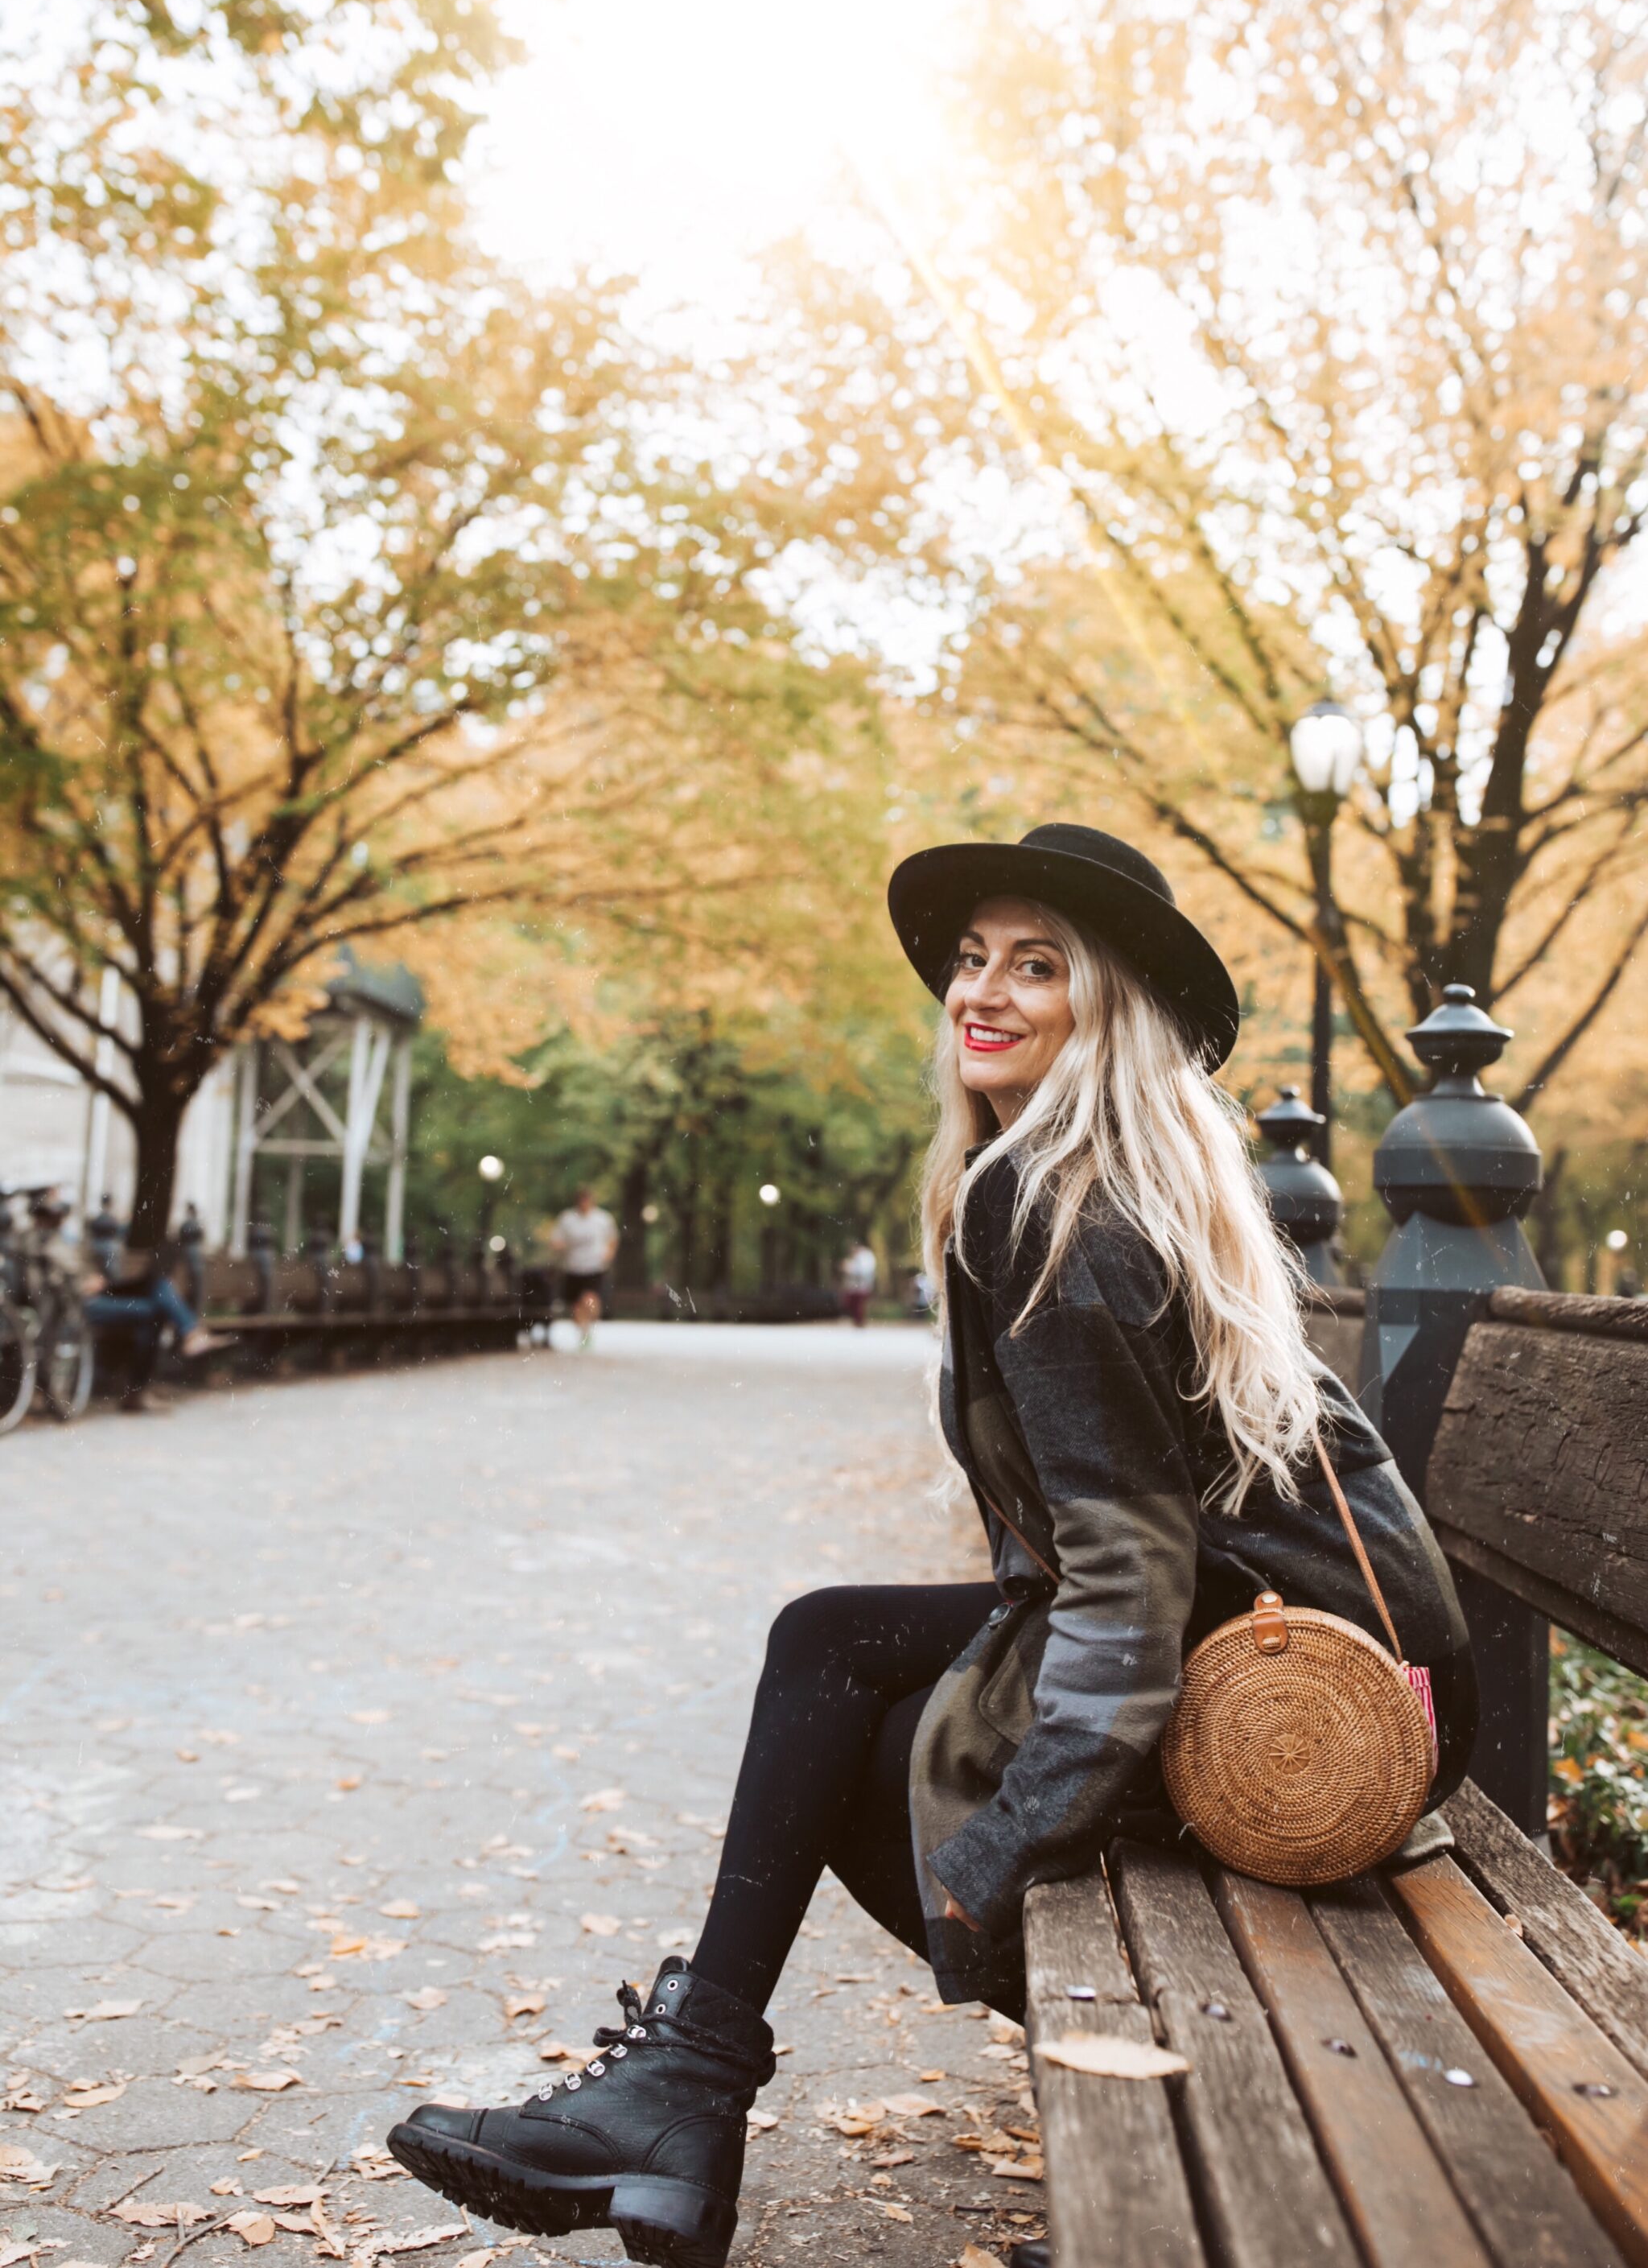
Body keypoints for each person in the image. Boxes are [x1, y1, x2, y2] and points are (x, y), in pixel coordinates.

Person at [387, 823, 1477, 2268]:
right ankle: (687, 2090)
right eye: (973, 959)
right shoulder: (1081, 1176)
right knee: (828, 1645)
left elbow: (1127, 1586)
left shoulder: (1058, 1208)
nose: (984, 989)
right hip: (1336, 1663)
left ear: (1110, 1010)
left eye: (1038, 965)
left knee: (868, 1747)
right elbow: (1133, 1558)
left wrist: (1001, 1841)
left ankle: (696, 2103)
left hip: (1300, 1707)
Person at [31, 1190, 232, 1413]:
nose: (60, 1214)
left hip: (98, 1295)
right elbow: (51, 1283)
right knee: (154, 1311)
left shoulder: (66, 1238)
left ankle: (187, 1335)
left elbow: (86, 1270)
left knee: (157, 1286)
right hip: (81, 1304)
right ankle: (183, 1340)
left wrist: (97, 1279)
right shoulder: (40, 1241)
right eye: (54, 1209)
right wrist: (86, 1284)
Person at [547, 1186, 618, 1349]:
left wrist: (608, 1255)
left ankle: (590, 1324)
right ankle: (584, 1332)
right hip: (573, 1268)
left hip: (595, 1267)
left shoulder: (603, 1219)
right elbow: (556, 1240)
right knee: (577, 1306)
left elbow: (612, 1239)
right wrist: (561, 1247)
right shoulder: (567, 1219)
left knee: (590, 1300)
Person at [836, 1235, 877, 1328]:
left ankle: (860, 1322)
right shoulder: (858, 1256)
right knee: (852, 1303)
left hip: (862, 1286)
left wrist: (848, 1268)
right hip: (855, 1286)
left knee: (858, 1305)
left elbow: (863, 1270)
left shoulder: (866, 1256)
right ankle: (857, 1322)